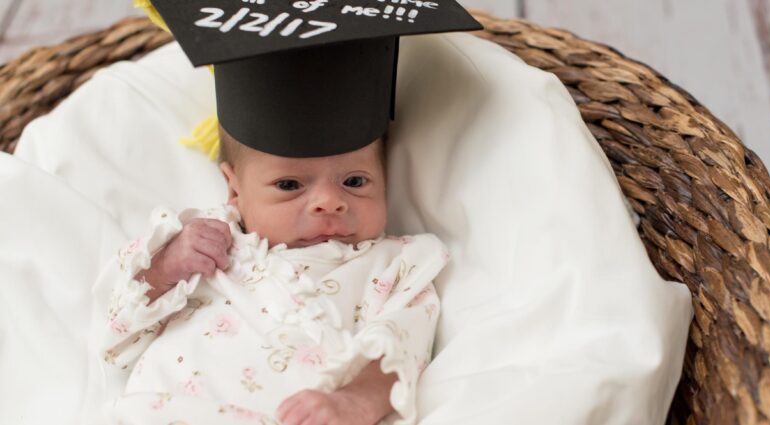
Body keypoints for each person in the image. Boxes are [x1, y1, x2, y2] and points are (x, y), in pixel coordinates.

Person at [85, 1, 481, 423]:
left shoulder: (395, 266)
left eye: (355, 181)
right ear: (234, 190)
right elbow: (117, 335)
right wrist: (164, 268)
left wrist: (353, 402)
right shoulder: (206, 244)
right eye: (290, 185)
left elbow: (402, 342)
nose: (329, 201)